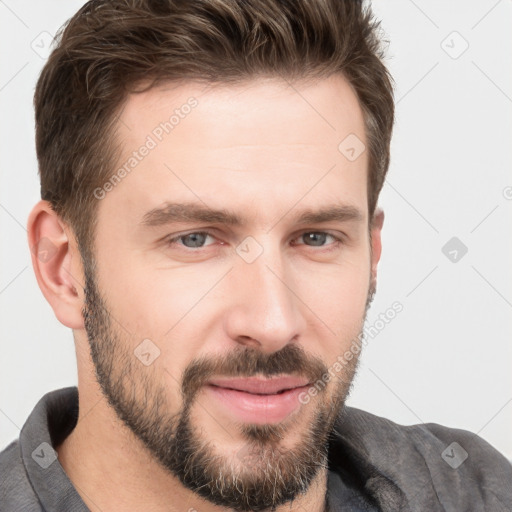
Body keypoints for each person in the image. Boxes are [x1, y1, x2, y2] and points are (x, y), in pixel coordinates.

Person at [1, 0, 510, 510]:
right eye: (195, 239)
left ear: (373, 255)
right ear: (62, 268)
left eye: (316, 238)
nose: (272, 323)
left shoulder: (478, 494)